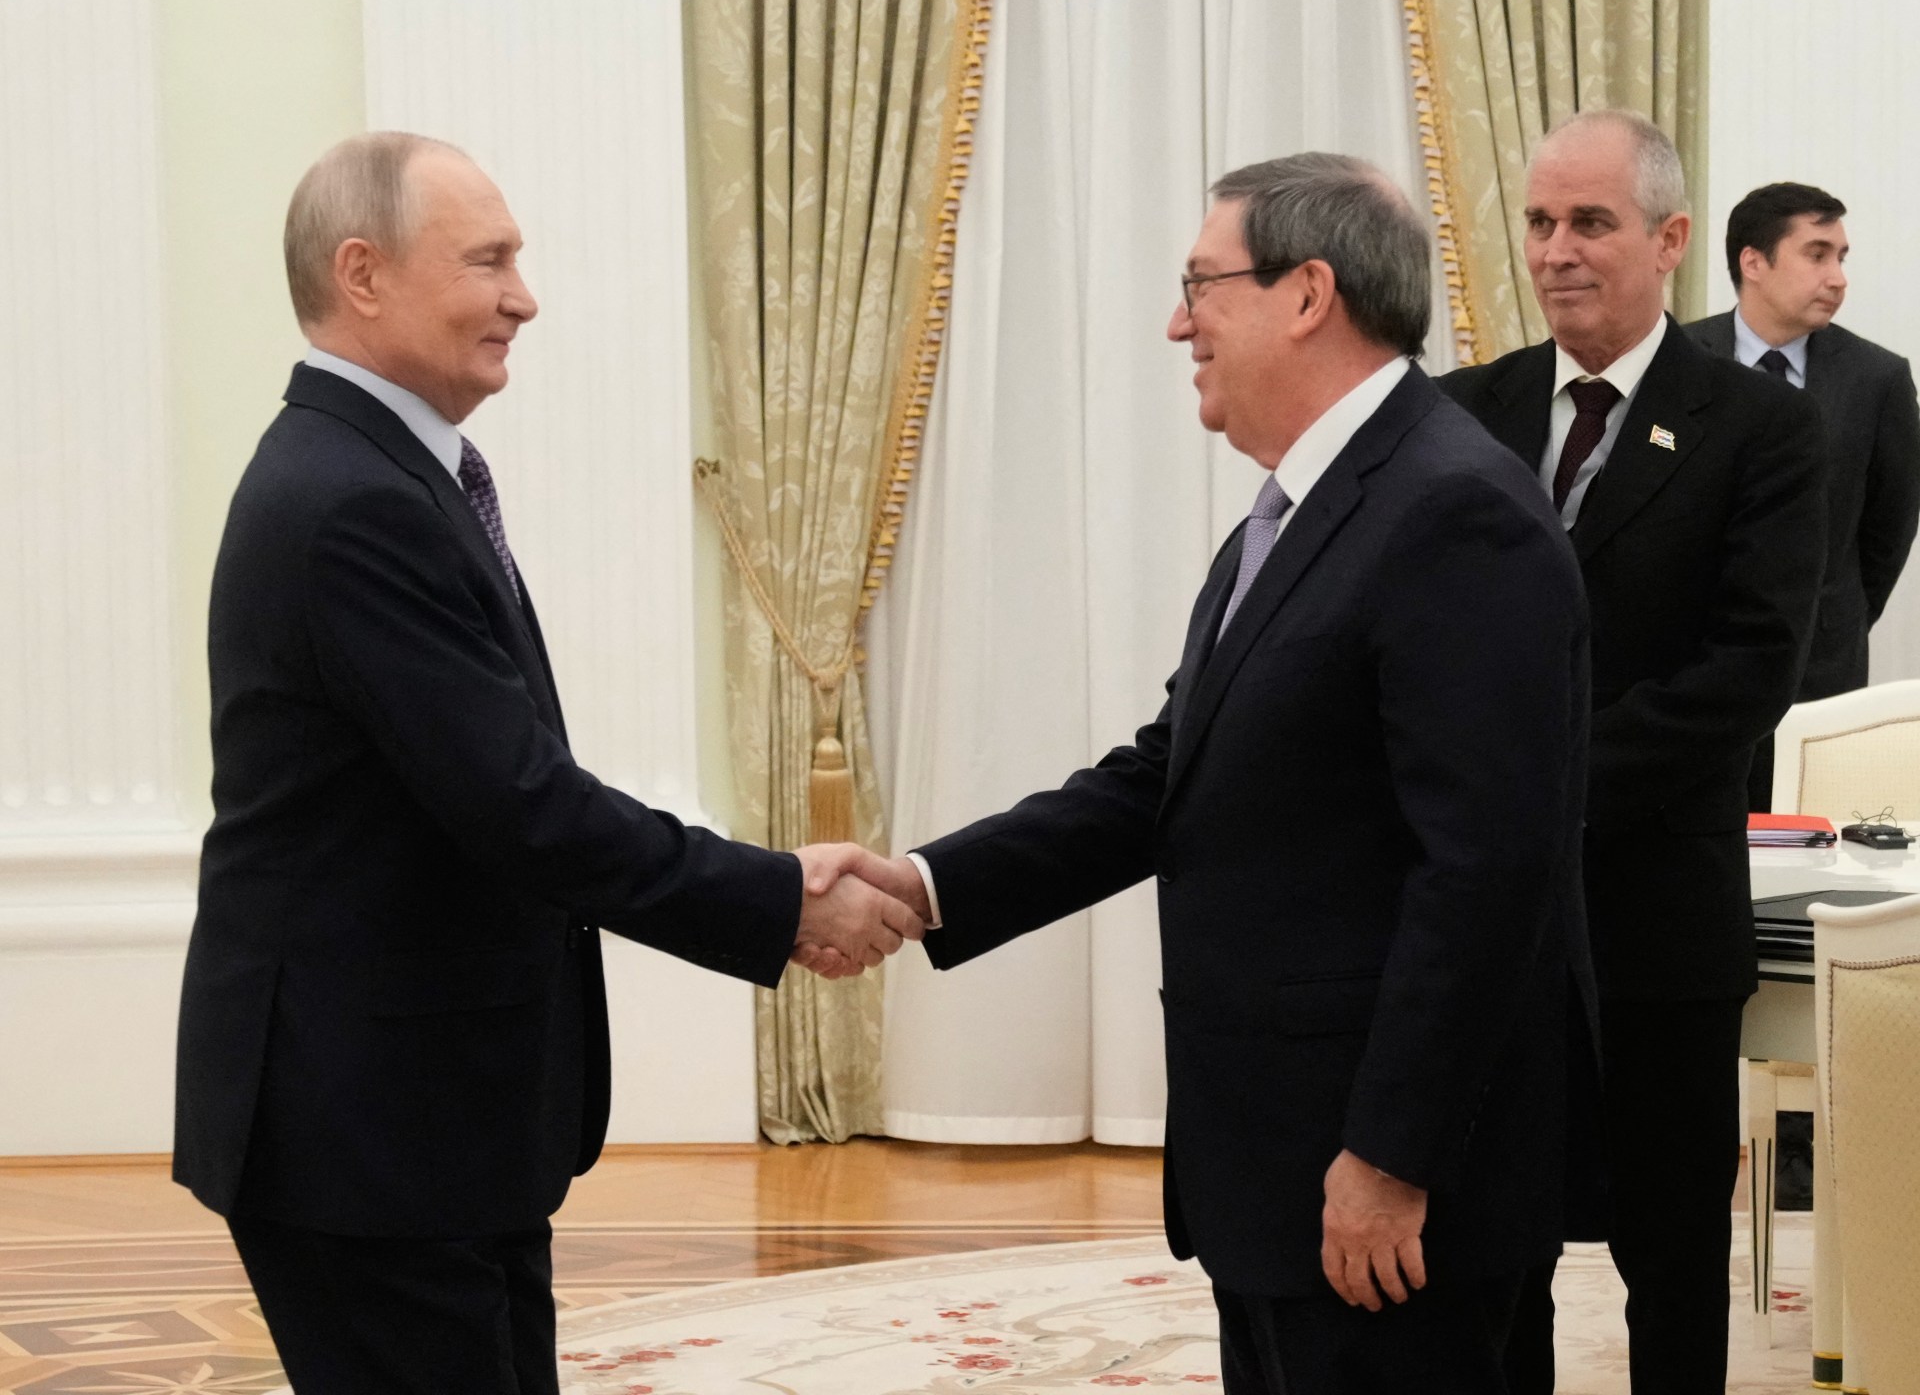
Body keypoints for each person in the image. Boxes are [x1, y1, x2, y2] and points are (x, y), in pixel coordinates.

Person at [800, 153, 1594, 1394]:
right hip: (1279, 1167)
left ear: (1307, 293)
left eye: (1199, 285)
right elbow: (1165, 777)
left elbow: (1489, 874)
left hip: (1386, 1187)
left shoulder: (1452, 511)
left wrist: (1392, 1156)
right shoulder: (1296, 516)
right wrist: (923, 884)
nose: (1180, 324)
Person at [173, 131, 918, 1394]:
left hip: (429, 1122)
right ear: (363, 274)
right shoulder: (352, 499)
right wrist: (778, 895)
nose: (524, 297)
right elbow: (522, 805)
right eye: (489, 260)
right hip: (369, 1135)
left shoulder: (384, 473)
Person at [1437, 111, 1828, 1395]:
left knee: (1669, 1251)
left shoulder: (1761, 429)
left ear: (1669, 240)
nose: (1556, 250)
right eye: (1541, 222)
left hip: (1656, 916)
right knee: (1496, 1248)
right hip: (1491, 923)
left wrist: (1538, 787)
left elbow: (1747, 672)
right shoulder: (1462, 413)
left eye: (1590, 223)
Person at [1687, 182, 1920, 810]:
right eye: (1817, 254)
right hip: (1685, 666)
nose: (1837, 277)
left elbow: (1888, 530)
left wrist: (1838, 615)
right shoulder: (1678, 359)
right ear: (1753, 262)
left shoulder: (1878, 379)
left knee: (1808, 842)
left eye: (1841, 257)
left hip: (1821, 673)